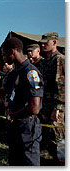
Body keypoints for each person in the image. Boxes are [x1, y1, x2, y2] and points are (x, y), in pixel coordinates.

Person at [0, 37, 44, 166]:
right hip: (15, 126)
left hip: (27, 128)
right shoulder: (15, 72)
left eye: (4, 54)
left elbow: (34, 108)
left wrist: (13, 115)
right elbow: (3, 91)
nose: (3, 58)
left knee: (29, 163)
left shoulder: (30, 72)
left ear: (13, 51)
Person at [39, 32, 65, 165]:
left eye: (46, 42)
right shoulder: (46, 61)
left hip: (56, 107)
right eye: (42, 42)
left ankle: (62, 163)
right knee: (47, 134)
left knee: (58, 136)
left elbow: (63, 86)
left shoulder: (60, 60)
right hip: (46, 104)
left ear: (54, 42)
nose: (43, 45)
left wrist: (58, 108)